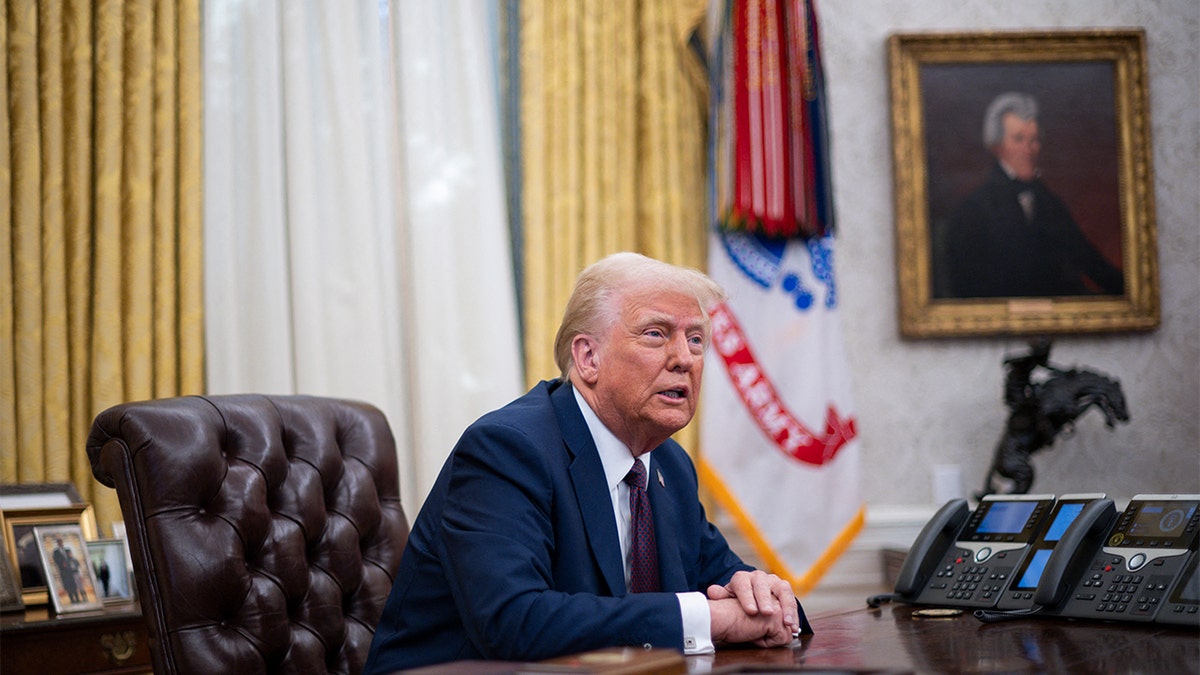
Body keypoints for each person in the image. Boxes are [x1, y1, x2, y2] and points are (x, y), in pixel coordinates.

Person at [364, 252, 811, 672]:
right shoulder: (507, 450)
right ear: (588, 357)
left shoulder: (668, 466)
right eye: (656, 334)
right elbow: (514, 621)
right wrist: (708, 618)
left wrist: (768, 598)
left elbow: (728, 584)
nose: (684, 359)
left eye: (696, 340)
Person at [937, 91, 1124, 299]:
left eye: (1034, 140)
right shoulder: (972, 212)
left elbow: (1090, 261)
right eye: (1018, 139)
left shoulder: (1051, 204)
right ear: (996, 146)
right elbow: (968, 291)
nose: (1029, 149)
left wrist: (1133, 294)